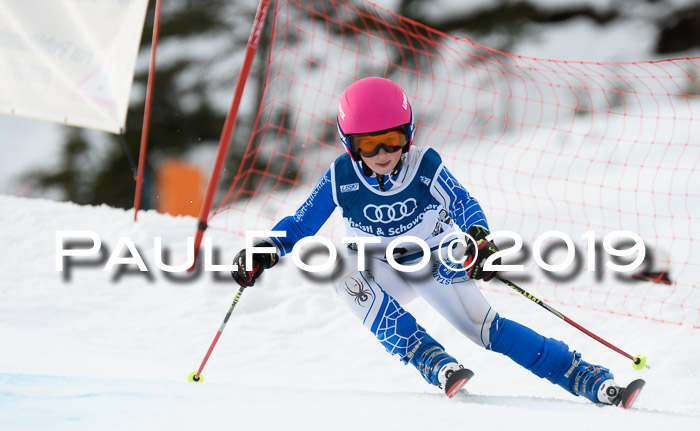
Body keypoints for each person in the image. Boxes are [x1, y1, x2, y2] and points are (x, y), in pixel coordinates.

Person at [232, 76, 626, 403]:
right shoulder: (342, 176)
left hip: (434, 259)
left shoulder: (424, 165)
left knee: (484, 328)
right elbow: (301, 225)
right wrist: (265, 249)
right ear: (349, 144)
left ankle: (583, 375)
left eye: (392, 137)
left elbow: (464, 204)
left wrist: (479, 240)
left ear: (409, 133)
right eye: (369, 144)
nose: (384, 152)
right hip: (376, 267)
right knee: (339, 270)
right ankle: (428, 358)